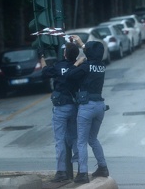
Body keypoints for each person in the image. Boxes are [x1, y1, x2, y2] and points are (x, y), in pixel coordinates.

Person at [65, 36, 109, 184]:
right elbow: (92, 53)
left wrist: (77, 62)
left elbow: (70, 75)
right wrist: (82, 44)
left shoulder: (84, 66)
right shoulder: (101, 65)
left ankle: (82, 173)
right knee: (93, 139)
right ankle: (102, 167)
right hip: (100, 106)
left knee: (81, 142)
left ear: (88, 55)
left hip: (87, 107)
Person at [41, 42, 80, 182]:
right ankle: (82, 169)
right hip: (74, 106)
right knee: (75, 138)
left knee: (60, 140)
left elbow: (45, 72)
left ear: (64, 54)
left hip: (60, 107)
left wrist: (42, 57)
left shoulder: (59, 66)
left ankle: (61, 172)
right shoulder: (78, 66)